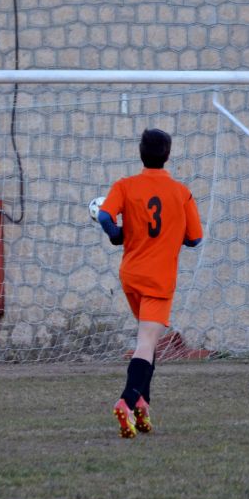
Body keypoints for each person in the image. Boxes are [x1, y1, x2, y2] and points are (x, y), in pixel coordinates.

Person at [96, 128, 203, 438]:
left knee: (149, 339)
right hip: (159, 280)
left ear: (140, 153)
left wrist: (117, 234)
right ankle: (127, 401)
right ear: (167, 155)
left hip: (131, 276)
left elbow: (104, 217)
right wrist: (173, 234)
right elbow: (195, 239)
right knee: (146, 342)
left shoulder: (125, 185)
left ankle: (143, 406)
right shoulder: (181, 193)